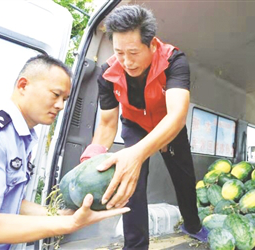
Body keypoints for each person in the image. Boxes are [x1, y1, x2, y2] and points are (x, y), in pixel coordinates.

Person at [0, 54, 130, 250]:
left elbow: (9, 202)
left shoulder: (21, 136)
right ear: (23, 85)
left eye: (65, 99)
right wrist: (66, 224)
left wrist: (56, 215)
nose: (60, 106)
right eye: (55, 95)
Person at [80, 5, 208, 249]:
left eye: (133, 52)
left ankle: (192, 225)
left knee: (184, 178)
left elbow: (177, 116)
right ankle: (136, 246)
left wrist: (137, 155)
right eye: (119, 53)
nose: (126, 62)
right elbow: (107, 124)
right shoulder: (107, 74)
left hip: (169, 123)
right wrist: (92, 159)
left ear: (152, 45)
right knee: (132, 185)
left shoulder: (174, 60)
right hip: (135, 126)